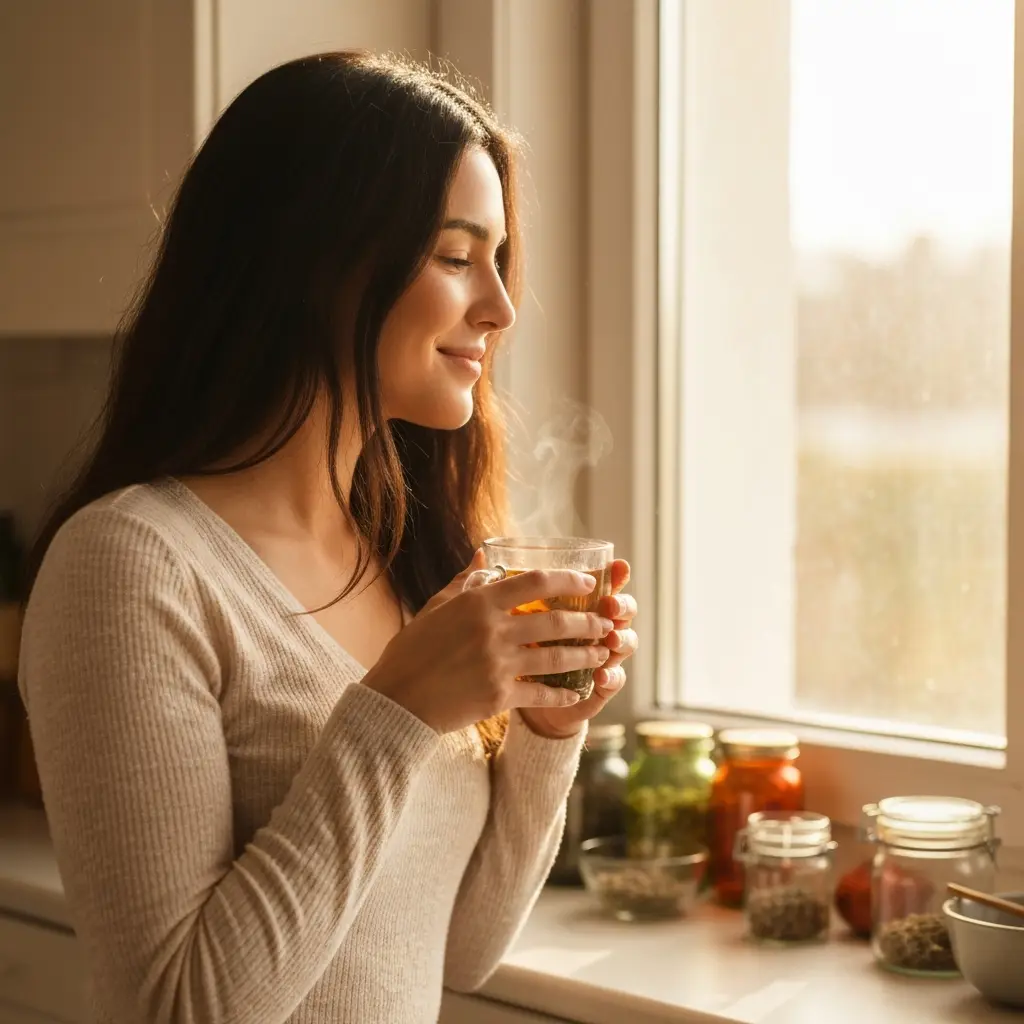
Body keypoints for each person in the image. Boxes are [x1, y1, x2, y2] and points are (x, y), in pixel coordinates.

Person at [18, 51, 639, 1024]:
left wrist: (545, 735)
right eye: (453, 254)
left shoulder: (404, 559)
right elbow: (177, 1010)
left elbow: (459, 948)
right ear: (315, 260)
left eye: (499, 258)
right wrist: (392, 713)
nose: (500, 307)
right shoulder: (130, 567)